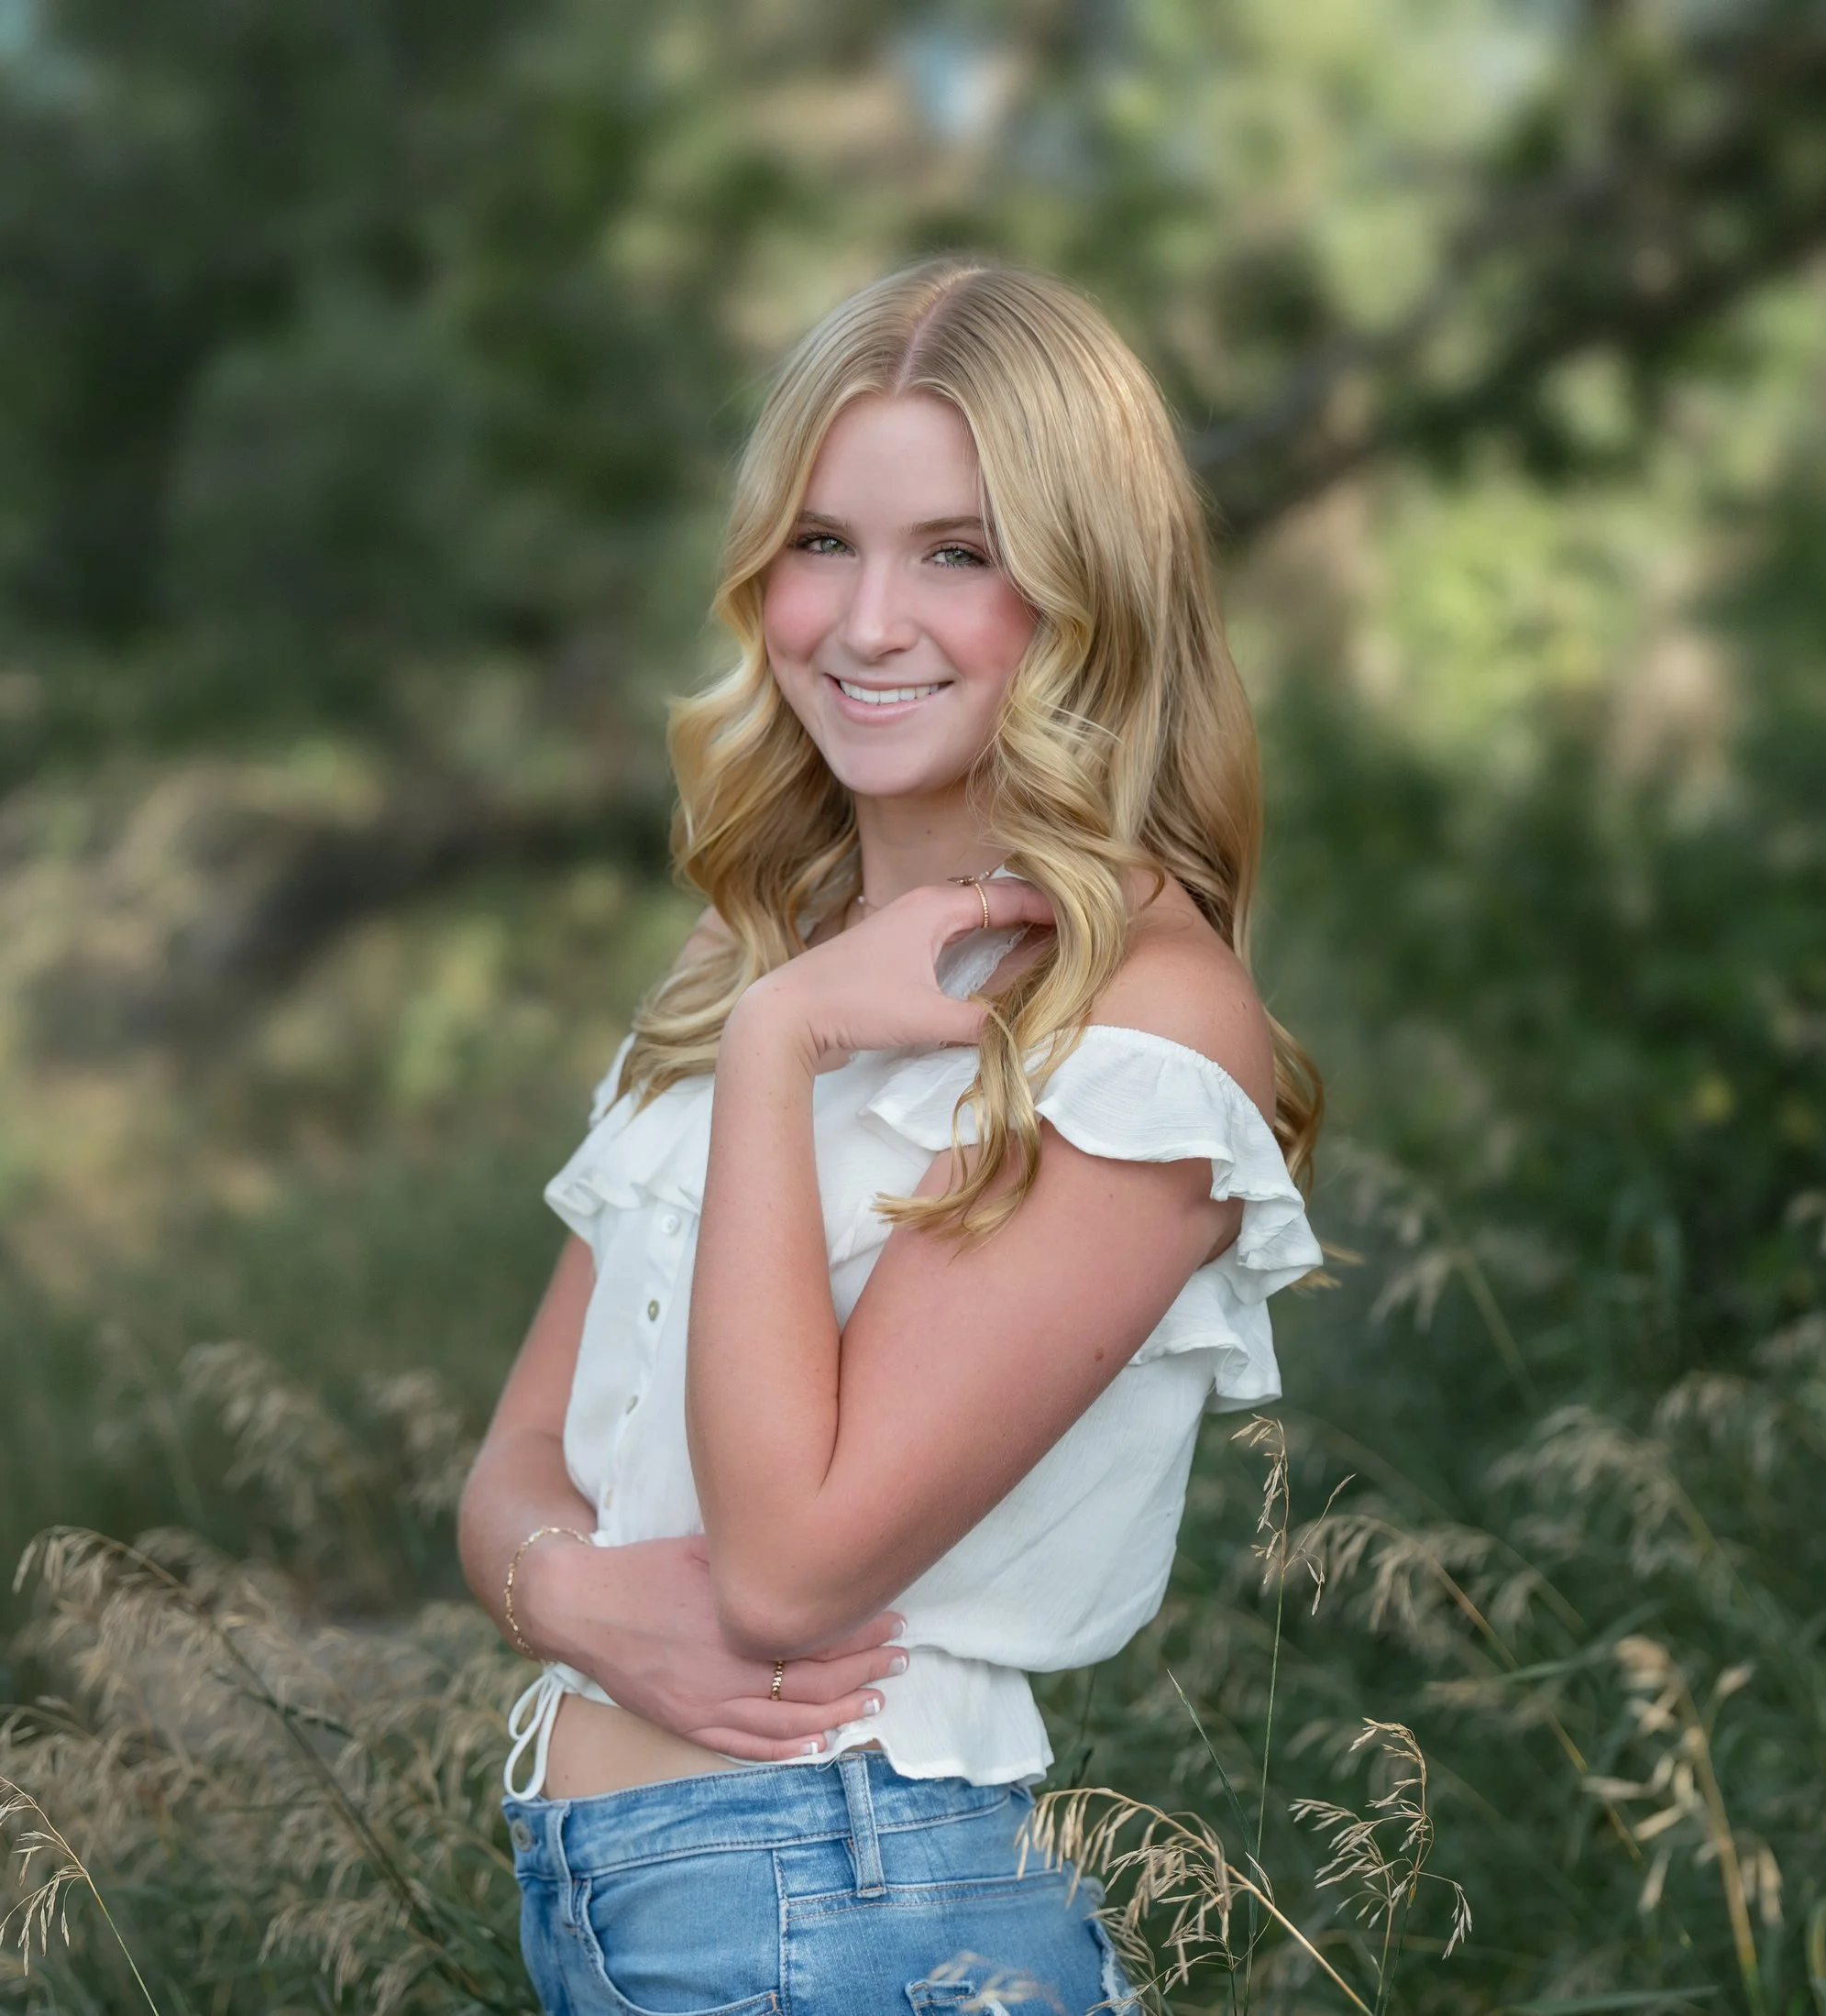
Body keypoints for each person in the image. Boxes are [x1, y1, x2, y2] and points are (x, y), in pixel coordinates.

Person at [456, 258, 1325, 2016]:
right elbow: (514, 1463)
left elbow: (789, 1566)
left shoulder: (1138, 1031)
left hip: (845, 1906)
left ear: (1090, 594)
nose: (864, 623)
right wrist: (568, 1602)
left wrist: (788, 1052)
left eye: (958, 552)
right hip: (624, 1903)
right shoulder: (740, 949)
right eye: (819, 543)